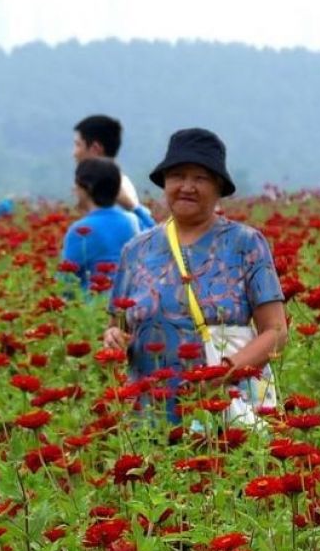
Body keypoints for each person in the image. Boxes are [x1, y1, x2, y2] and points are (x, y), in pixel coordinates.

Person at [103, 128, 288, 422]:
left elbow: (276, 332)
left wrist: (225, 371)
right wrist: (113, 337)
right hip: (151, 413)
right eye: (178, 176)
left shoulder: (245, 243)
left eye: (200, 178)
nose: (187, 186)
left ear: (218, 187)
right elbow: (117, 326)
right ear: (165, 183)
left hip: (225, 405)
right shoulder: (136, 250)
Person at [60, 158, 140, 291]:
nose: (74, 189)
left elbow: (66, 282)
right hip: (128, 303)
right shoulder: (131, 222)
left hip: (94, 307)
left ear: (87, 187)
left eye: (77, 184)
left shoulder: (80, 230)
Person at [73, 114, 156, 229]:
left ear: (95, 148)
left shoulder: (113, 188)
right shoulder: (111, 184)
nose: (74, 153)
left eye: (78, 145)